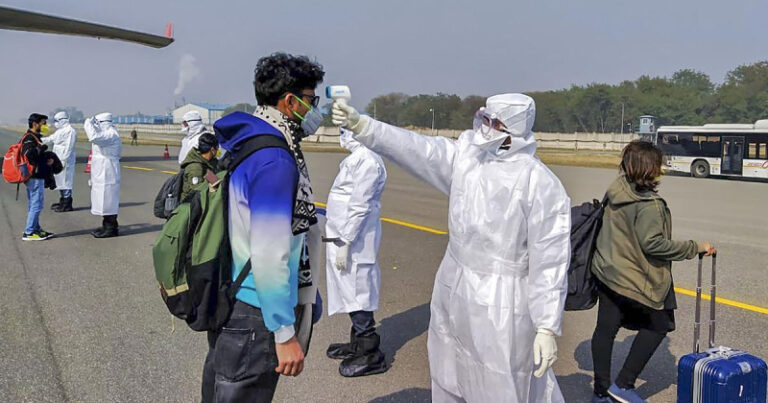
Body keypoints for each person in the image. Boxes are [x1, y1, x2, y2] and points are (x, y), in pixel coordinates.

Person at [332, 93, 570, 402]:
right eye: (483, 118)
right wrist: (365, 126)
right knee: (449, 370)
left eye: (493, 122)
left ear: (513, 128)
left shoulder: (538, 182)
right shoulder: (468, 159)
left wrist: (547, 326)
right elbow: (418, 150)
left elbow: (550, 260)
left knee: (499, 380)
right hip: (454, 286)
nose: (484, 127)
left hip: (501, 300)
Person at [203, 52, 325, 403]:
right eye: (311, 101)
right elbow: (270, 251)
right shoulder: (275, 159)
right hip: (255, 314)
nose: (315, 110)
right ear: (290, 102)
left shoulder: (249, 145)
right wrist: (284, 332)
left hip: (235, 297)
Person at [588, 141, 716, 403]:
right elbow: (654, 244)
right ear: (650, 169)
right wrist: (696, 248)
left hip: (607, 271)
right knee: (660, 324)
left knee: (605, 329)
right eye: (659, 164)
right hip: (633, 278)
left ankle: (600, 392)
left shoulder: (616, 191)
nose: (662, 169)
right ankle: (623, 385)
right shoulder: (649, 205)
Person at [325, 128, 388, 377]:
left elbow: (360, 205)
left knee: (358, 291)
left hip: (355, 241)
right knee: (348, 289)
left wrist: (347, 241)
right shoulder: (358, 158)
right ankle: (357, 344)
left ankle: (370, 352)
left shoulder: (368, 161)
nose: (342, 135)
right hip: (343, 237)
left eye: (346, 131)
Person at [83, 113, 122, 238]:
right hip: (102, 169)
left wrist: (87, 124)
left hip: (108, 169)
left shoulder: (110, 134)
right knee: (102, 198)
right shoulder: (106, 133)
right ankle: (106, 225)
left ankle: (111, 228)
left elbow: (93, 137)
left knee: (108, 199)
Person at [20, 113, 55, 241]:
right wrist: (42, 148)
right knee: (36, 204)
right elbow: (29, 154)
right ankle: (29, 232)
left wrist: (46, 161)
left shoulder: (34, 137)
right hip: (34, 176)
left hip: (35, 175)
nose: (46, 126)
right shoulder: (30, 138)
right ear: (35, 124)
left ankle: (36, 229)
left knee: (34, 204)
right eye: (43, 123)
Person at [43, 111, 77, 212]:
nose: (56, 123)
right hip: (58, 159)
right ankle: (63, 201)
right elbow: (51, 139)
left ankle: (67, 203)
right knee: (60, 181)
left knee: (66, 181)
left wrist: (63, 160)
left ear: (63, 120)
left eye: (57, 121)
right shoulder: (60, 131)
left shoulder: (70, 131)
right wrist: (38, 140)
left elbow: (69, 147)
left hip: (65, 159)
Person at [179, 132, 219, 201]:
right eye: (217, 148)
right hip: (191, 206)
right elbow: (198, 192)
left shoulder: (207, 162)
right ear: (212, 150)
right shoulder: (195, 168)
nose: (218, 151)